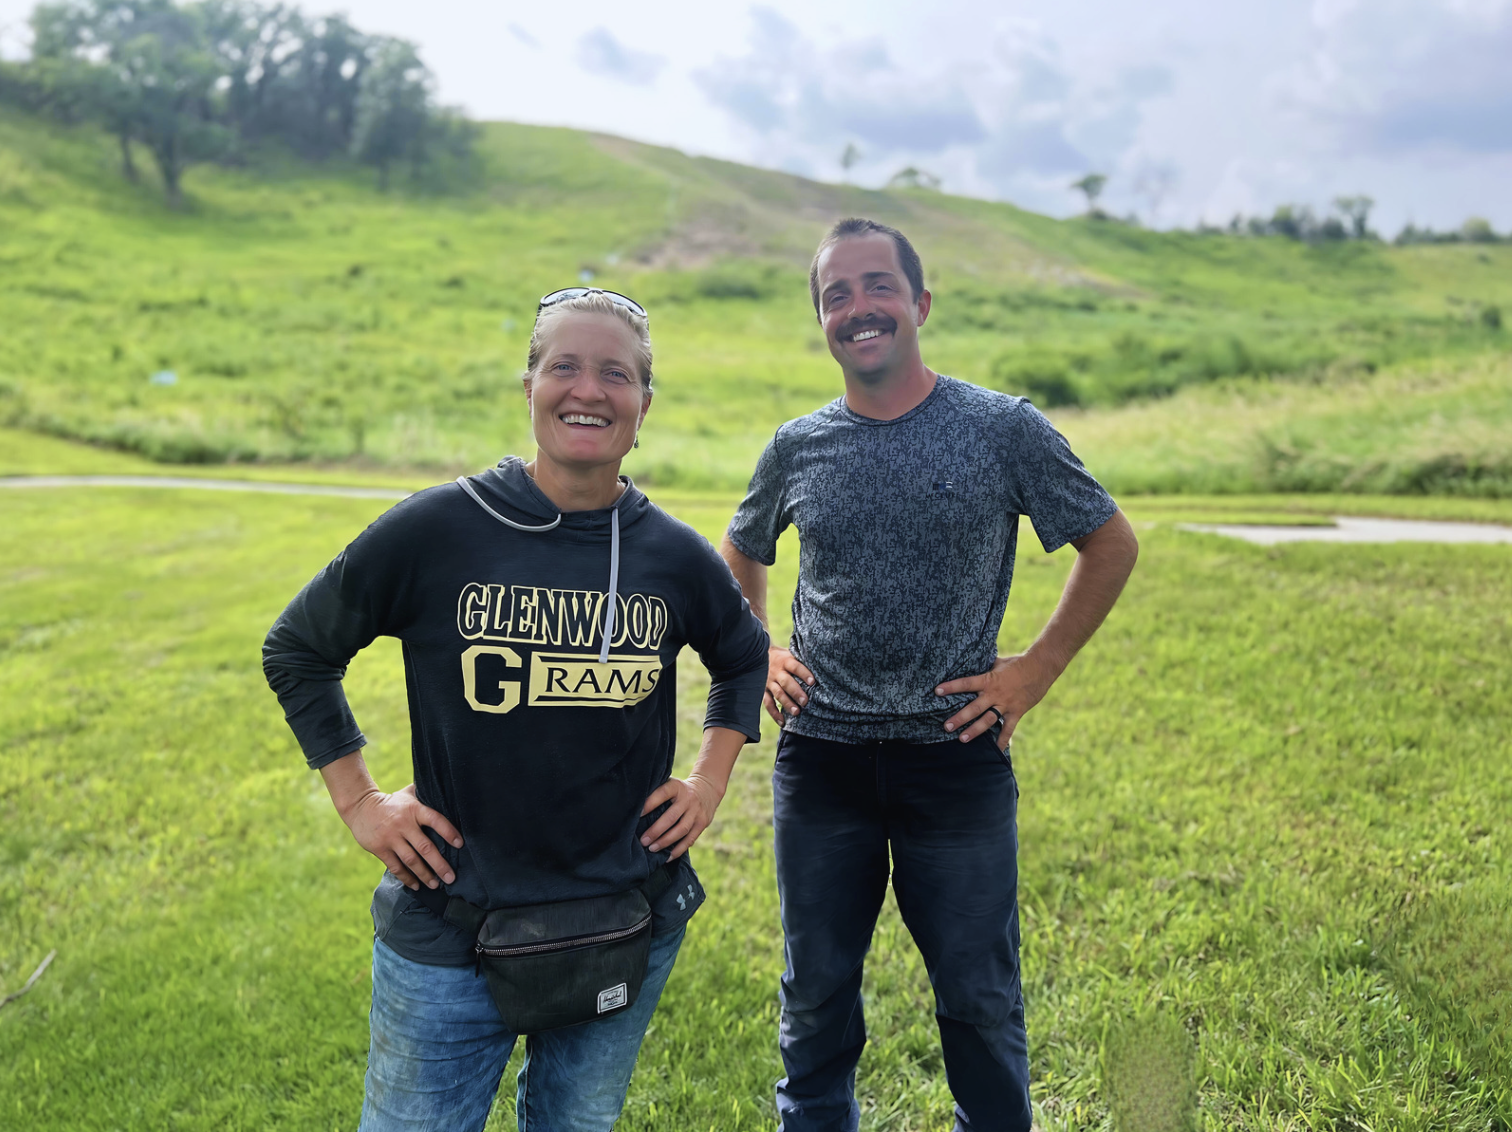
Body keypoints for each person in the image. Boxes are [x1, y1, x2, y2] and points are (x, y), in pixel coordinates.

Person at [263, 288, 769, 1132]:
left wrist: (709, 782)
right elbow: (298, 648)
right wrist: (358, 798)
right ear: (529, 384)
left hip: (622, 917)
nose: (588, 389)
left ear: (644, 405)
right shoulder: (437, 530)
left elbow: (745, 653)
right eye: (563, 365)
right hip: (452, 926)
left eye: (617, 373)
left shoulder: (672, 555)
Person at [720, 218, 1140, 1132]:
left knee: (979, 1001)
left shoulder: (1001, 429)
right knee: (817, 996)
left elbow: (1109, 541)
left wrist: (1035, 669)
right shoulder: (798, 445)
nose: (858, 309)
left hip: (954, 761)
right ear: (822, 319)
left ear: (919, 302)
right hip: (822, 762)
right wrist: (762, 651)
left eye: (878, 286)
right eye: (837, 295)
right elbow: (741, 549)